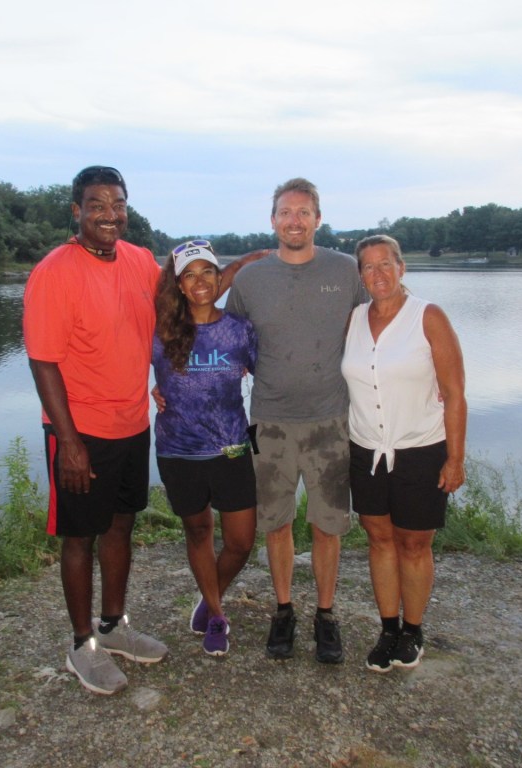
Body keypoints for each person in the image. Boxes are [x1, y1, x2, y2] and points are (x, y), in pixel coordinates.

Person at [21, 165, 166, 696]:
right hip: (80, 431)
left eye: (118, 204)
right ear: (76, 211)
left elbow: (173, 309)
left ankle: (113, 626)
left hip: (132, 423)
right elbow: (43, 361)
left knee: (121, 524)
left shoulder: (140, 260)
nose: (110, 215)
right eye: (97, 205)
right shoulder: (55, 272)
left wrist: (243, 267)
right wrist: (70, 443)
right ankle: (82, 645)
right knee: (80, 536)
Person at [224, 178, 368, 663]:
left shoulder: (345, 270)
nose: (294, 221)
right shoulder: (250, 280)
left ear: (318, 220)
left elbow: (379, 323)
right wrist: (172, 381)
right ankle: (283, 609)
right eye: (286, 212)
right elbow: (226, 340)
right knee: (276, 523)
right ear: (272, 221)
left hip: (331, 420)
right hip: (268, 422)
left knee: (328, 526)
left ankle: (326, 614)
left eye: (304, 212)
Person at [341, 234, 467, 673]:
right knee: (379, 539)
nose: (377, 274)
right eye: (368, 266)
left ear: (401, 267)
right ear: (360, 275)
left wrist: (455, 459)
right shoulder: (354, 319)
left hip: (420, 449)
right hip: (366, 449)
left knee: (413, 544)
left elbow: (455, 393)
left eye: (385, 264)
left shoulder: (428, 317)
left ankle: (413, 630)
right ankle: (388, 628)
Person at [152, 240, 258, 657]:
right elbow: (124, 367)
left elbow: (270, 377)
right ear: (179, 285)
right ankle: (215, 614)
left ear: (219, 278)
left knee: (241, 541)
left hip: (232, 447)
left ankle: (209, 594)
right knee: (198, 532)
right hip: (178, 451)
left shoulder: (240, 330)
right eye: (189, 275)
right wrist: (152, 389)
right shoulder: (162, 331)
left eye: (207, 272)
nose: (200, 282)